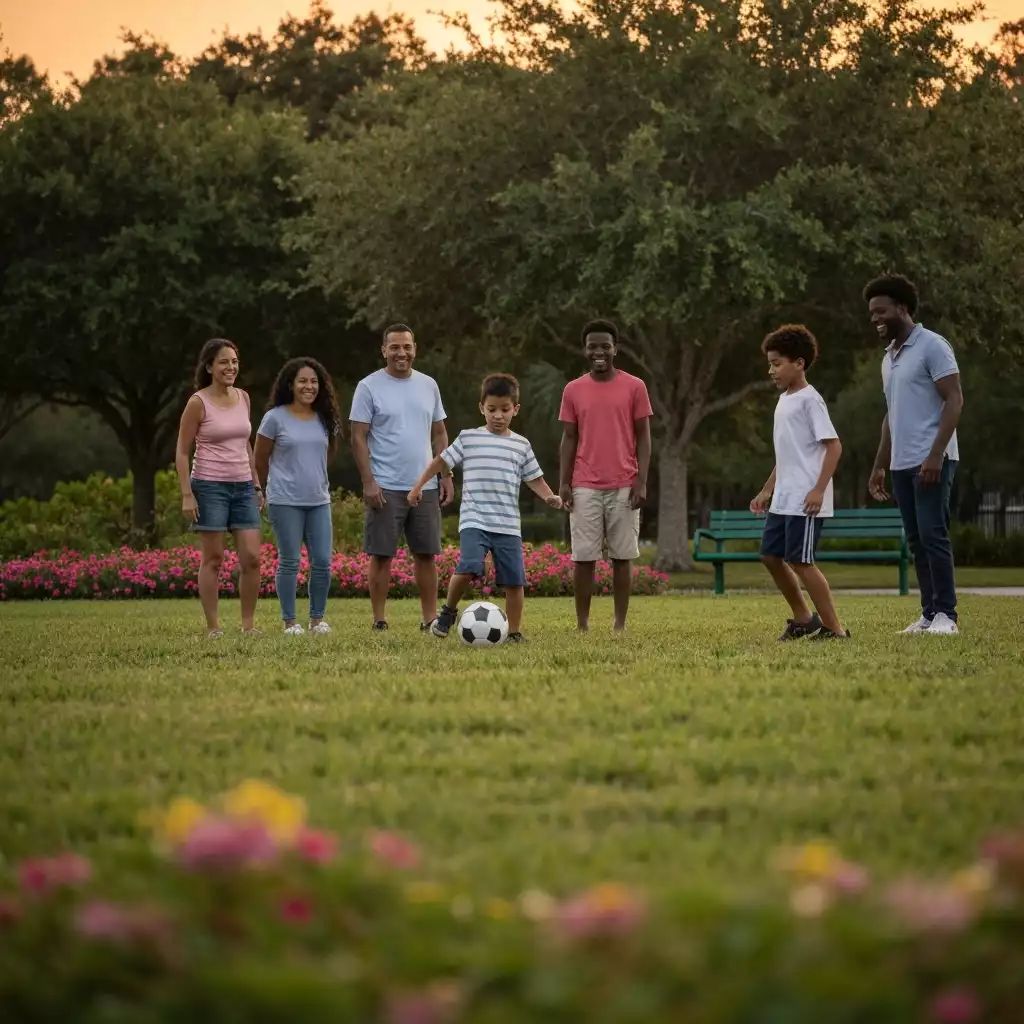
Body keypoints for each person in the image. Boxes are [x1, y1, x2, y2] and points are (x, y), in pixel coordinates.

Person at [408, 373, 562, 643]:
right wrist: (418, 486)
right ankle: (447, 613)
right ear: (482, 408)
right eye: (492, 409)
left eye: (505, 409)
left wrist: (549, 496)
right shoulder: (469, 438)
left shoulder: (521, 444)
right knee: (467, 566)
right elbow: (440, 463)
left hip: (507, 525)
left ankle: (514, 632)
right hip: (474, 520)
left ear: (516, 409)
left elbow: (534, 479)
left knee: (515, 582)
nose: (498, 416)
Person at [864, 273, 964, 635]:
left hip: (932, 460)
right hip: (901, 463)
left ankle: (947, 616)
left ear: (902, 308)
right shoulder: (888, 358)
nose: (875, 318)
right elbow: (892, 414)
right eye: (871, 313)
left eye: (881, 311)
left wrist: (935, 455)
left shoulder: (932, 346)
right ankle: (928, 613)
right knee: (916, 539)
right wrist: (879, 464)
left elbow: (954, 399)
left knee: (933, 533)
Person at [349, 324, 454, 632]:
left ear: (414, 348)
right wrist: (368, 480)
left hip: (425, 485)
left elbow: (439, 433)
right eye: (394, 347)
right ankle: (379, 620)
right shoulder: (368, 387)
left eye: (406, 347)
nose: (401, 353)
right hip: (385, 486)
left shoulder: (428, 385)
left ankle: (429, 619)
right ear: (384, 350)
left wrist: (445, 474)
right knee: (381, 555)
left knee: (426, 555)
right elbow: (358, 437)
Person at [750, 325, 848, 640]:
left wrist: (818, 490)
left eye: (777, 363)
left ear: (799, 363)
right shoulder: (785, 400)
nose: (771, 370)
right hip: (784, 498)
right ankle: (804, 617)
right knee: (770, 556)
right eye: (770, 363)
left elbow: (834, 446)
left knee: (801, 561)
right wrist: (767, 489)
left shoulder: (810, 400)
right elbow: (788, 455)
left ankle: (835, 629)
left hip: (806, 499)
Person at [557, 319, 653, 633]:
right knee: (583, 558)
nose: (599, 352)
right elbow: (569, 438)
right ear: (584, 350)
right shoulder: (573, 390)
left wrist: (641, 480)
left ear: (616, 349)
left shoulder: (635, 386)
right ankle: (582, 624)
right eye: (592, 346)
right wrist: (565, 482)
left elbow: (644, 436)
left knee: (622, 557)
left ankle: (619, 625)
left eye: (605, 346)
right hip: (584, 484)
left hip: (625, 484)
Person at [174, 338, 264, 638]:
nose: (231, 367)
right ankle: (213, 627)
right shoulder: (198, 402)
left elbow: (246, 445)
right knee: (214, 559)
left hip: (242, 487)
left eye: (235, 362)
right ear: (210, 366)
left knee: (252, 557)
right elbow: (182, 452)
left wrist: (256, 484)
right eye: (224, 362)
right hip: (209, 486)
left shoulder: (244, 398)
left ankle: (248, 625)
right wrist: (187, 493)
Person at [254, 357, 342, 636]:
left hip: (318, 500)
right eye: (303, 381)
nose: (309, 386)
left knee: (322, 562)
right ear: (290, 384)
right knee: (290, 560)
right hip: (284, 500)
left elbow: (327, 454)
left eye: (314, 381)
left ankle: (317, 620)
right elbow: (259, 460)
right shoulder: (274, 418)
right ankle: (290, 622)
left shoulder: (325, 417)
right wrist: (265, 490)